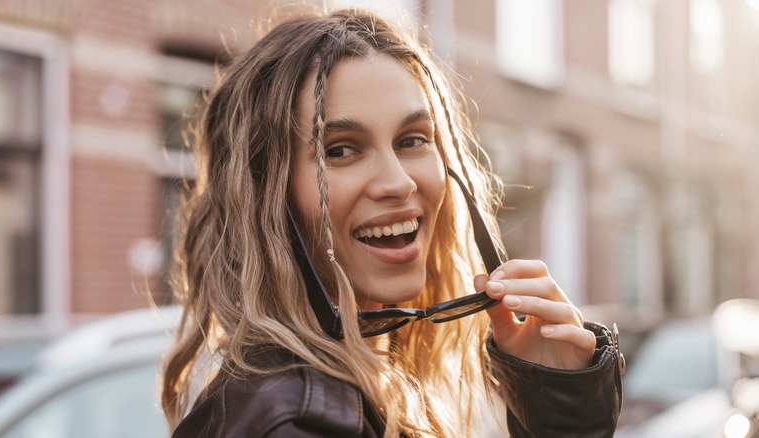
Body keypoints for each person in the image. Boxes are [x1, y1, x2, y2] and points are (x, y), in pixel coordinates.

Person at [161, 7, 623, 437]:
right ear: (265, 197)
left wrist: (558, 407)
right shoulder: (298, 422)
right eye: (338, 150)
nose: (398, 182)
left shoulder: (345, 395)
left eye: (412, 139)